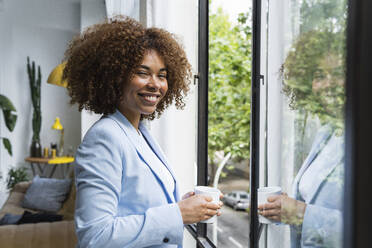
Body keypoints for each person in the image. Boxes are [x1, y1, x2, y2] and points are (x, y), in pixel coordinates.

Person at [63, 16, 222, 248]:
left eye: (162, 75)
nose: (156, 84)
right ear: (115, 76)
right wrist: (177, 214)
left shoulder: (139, 131)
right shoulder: (104, 138)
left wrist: (185, 206)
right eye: (143, 72)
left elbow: (134, 204)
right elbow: (95, 236)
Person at [258, 29, 345, 247]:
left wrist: (300, 213)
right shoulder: (327, 133)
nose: (328, 83)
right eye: (318, 76)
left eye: (338, 73)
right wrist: (289, 206)